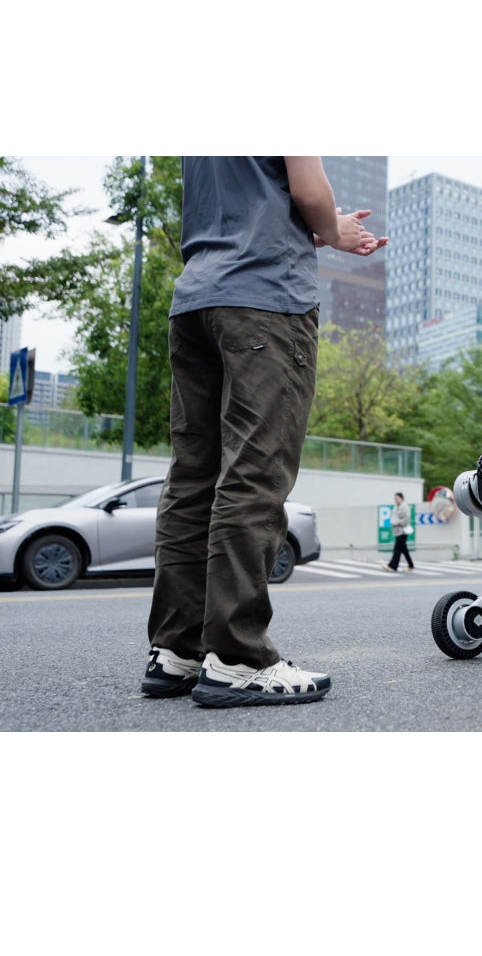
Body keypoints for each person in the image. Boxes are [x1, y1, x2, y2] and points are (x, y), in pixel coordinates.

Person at [141, 156, 387, 707]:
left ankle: (176, 650)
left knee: (192, 478)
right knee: (254, 473)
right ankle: (236, 657)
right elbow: (307, 192)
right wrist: (332, 230)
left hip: (197, 299)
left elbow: (240, 210)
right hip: (264, 300)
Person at [385, 491, 414, 571]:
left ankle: (392, 566)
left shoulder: (405, 507)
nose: (395, 500)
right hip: (397, 531)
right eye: (395, 498)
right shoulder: (395, 507)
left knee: (397, 549)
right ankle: (411, 565)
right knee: (404, 550)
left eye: (397, 498)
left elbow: (407, 519)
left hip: (403, 531)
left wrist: (397, 523)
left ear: (401, 498)